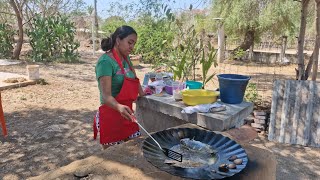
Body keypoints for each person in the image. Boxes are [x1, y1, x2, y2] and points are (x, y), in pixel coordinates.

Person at [93, 25, 144, 149]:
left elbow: (135, 80)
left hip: (127, 114)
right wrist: (119, 107)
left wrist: (144, 96)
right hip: (111, 116)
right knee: (115, 156)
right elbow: (106, 97)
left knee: (134, 150)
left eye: (134, 44)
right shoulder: (105, 62)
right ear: (118, 40)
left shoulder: (127, 59)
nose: (132, 47)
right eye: (129, 42)